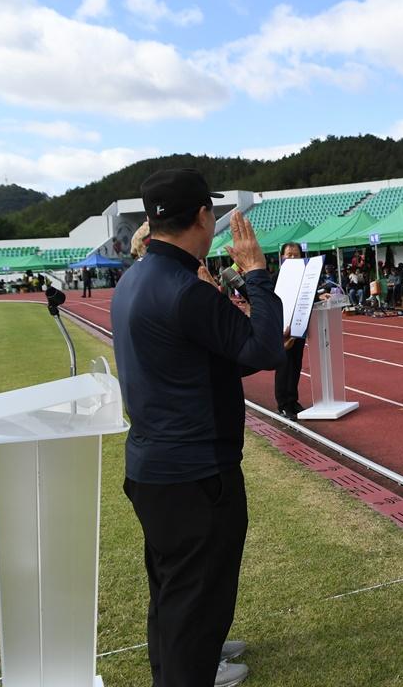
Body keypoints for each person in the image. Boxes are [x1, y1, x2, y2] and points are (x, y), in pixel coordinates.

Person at [111, 168, 284, 687]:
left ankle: (183, 658)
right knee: (196, 590)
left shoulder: (135, 278)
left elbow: (200, 359)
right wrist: (256, 271)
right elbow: (265, 350)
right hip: (196, 472)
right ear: (204, 216)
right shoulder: (187, 289)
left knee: (171, 585)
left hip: (153, 466)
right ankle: (188, 666)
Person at [274, 242, 309, 419]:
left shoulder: (305, 278)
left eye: (296, 254)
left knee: (296, 364)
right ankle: (283, 404)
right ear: (282, 257)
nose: (293, 257)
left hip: (299, 325)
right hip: (282, 328)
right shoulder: (277, 278)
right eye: (289, 254)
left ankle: (293, 400)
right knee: (284, 365)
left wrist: (320, 296)